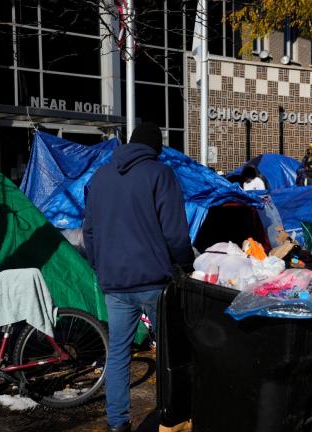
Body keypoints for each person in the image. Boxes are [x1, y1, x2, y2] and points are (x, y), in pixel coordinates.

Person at [83, 122, 194, 432]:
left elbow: (88, 232)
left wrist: (100, 265)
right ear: (155, 149)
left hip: (114, 284)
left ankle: (117, 423)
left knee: (118, 353)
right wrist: (184, 264)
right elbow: (175, 233)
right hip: (154, 283)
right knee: (171, 353)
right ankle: (173, 415)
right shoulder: (159, 174)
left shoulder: (101, 176)